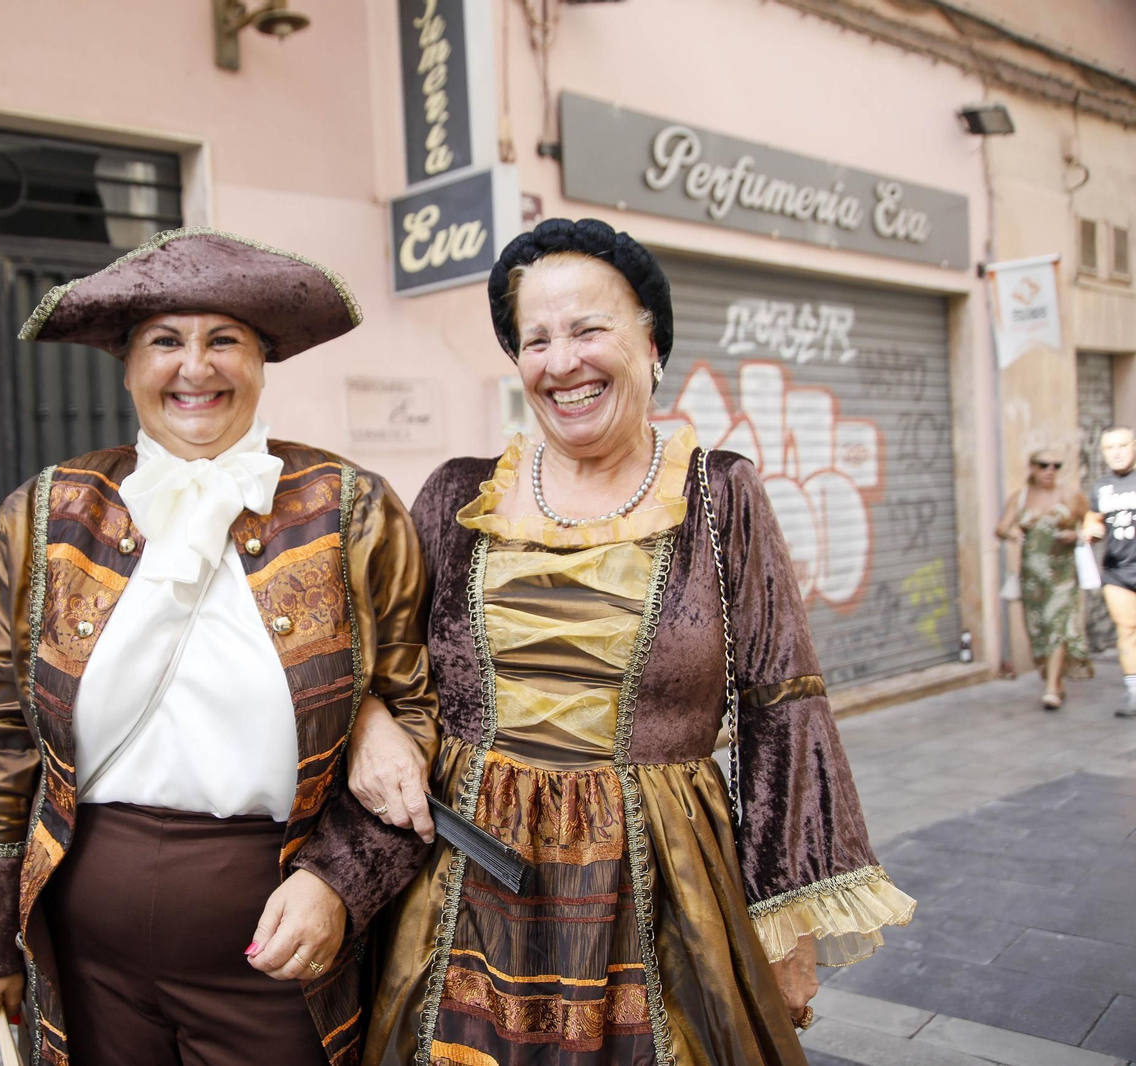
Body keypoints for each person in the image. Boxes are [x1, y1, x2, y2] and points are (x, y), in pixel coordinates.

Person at [347, 218, 915, 1065]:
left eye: (588, 328)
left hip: (662, 891)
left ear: (652, 341)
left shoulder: (720, 496)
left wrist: (789, 928)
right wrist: (369, 722)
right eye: (534, 339)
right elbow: (375, 662)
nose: (561, 360)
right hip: (467, 885)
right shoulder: (457, 497)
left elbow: (782, 703)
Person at [0, 227, 438, 1066]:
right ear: (128, 364)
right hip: (88, 960)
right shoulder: (47, 513)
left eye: (225, 341)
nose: (195, 368)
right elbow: (0, 729)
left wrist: (337, 883)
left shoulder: (351, 510)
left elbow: (425, 719)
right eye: (165, 341)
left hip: (282, 954)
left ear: (262, 359)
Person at [996, 447, 1092, 709]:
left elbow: (1092, 522)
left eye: (1056, 466)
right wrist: (1012, 534)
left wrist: (1078, 535)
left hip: (1062, 575)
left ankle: (1050, 689)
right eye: (1043, 465)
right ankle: (1055, 679)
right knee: (1038, 631)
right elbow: (1001, 527)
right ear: (1032, 468)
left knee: (1058, 626)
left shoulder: (1069, 494)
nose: (1050, 470)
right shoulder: (1021, 496)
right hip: (1032, 578)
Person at [1085, 426, 1136, 718]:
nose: (1116, 453)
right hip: (1118, 570)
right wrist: (1091, 530)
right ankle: (1133, 692)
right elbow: (1093, 518)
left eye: (1122, 445)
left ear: (1134, 446)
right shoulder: (1102, 486)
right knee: (1127, 630)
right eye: (1109, 448)